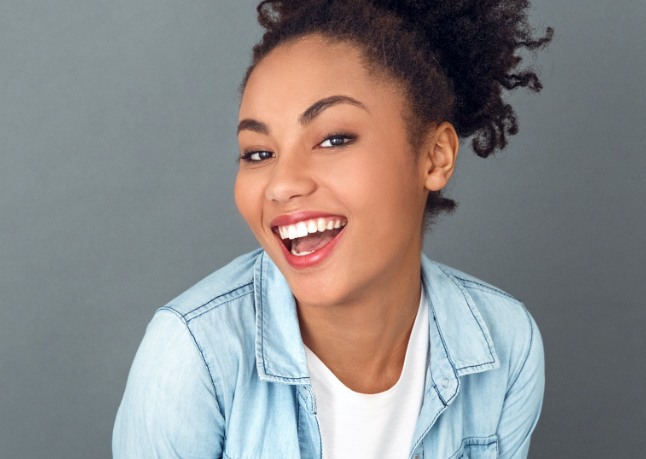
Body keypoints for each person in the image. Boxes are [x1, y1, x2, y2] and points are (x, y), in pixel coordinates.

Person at [113, 1, 552, 457]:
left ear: (435, 155)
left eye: (333, 139)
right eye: (258, 153)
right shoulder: (193, 354)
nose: (282, 184)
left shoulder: (505, 342)